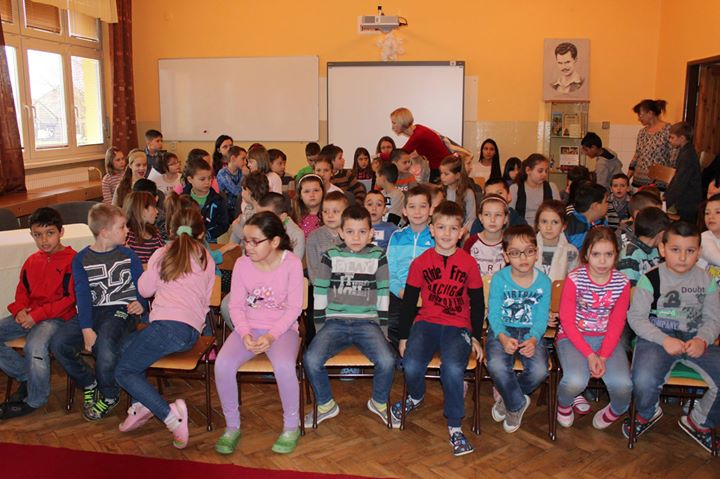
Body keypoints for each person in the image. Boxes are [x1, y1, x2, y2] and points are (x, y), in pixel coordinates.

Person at [115, 205, 215, 449]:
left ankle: (170, 416)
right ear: (201, 233)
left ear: (170, 230)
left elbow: (143, 290)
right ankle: (142, 403)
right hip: (190, 332)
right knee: (125, 347)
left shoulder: (162, 253)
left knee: (123, 371)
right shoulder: (206, 257)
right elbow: (206, 298)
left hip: (167, 328)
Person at [390, 201, 484, 456]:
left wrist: (476, 336)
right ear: (431, 230)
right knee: (410, 364)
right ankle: (416, 396)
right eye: (441, 227)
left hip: (458, 326)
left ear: (461, 232)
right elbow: (409, 302)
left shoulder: (469, 263)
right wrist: (404, 336)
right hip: (426, 323)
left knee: (452, 368)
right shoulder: (420, 262)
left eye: (453, 228)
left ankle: (455, 426)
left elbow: (477, 303)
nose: (446, 233)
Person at [625, 222, 720, 453]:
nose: (683, 257)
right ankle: (647, 413)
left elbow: (713, 319)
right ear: (663, 249)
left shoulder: (707, 281)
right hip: (657, 337)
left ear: (699, 252)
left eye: (690, 250)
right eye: (676, 249)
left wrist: (702, 339)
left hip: (696, 337)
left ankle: (699, 421)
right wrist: (663, 340)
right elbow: (636, 318)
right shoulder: (651, 278)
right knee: (643, 379)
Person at [214, 212, 304, 454]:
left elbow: (294, 308)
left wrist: (271, 336)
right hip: (249, 327)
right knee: (222, 365)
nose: (248, 247)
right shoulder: (242, 264)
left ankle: (291, 427)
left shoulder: (291, 263)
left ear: (274, 241)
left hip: (282, 330)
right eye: (246, 240)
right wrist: (244, 334)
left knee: (284, 366)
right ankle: (232, 427)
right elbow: (235, 306)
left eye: (255, 241)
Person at [50, 203, 148, 421]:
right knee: (59, 343)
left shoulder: (129, 256)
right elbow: (83, 296)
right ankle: (88, 381)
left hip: (122, 310)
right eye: (122, 227)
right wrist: (86, 328)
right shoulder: (81, 259)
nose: (127, 230)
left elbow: (143, 287)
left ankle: (110, 393)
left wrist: (141, 303)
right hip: (92, 311)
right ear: (104, 232)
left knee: (105, 343)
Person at [303, 205, 396, 428]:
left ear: (371, 233)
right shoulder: (331, 255)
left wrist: (383, 331)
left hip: (368, 324)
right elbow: (320, 292)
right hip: (334, 323)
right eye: (350, 232)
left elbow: (383, 294)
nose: (356, 237)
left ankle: (379, 402)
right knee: (311, 359)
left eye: (362, 232)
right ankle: (325, 404)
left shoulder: (378, 255)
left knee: (388, 360)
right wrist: (320, 328)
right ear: (341, 233)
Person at [0, 207, 76, 420]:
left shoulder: (73, 260)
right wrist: (19, 310)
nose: (44, 240)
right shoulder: (32, 261)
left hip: (57, 318)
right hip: (30, 314)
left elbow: (69, 300)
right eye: (38, 235)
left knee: (34, 346)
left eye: (50, 233)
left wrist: (36, 316)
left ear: (61, 232)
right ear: (32, 235)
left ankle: (36, 399)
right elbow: (22, 292)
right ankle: (27, 376)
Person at [556, 227, 632, 430]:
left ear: (616, 255)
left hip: (607, 340)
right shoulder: (575, 278)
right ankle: (564, 404)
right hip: (573, 337)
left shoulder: (622, 282)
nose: (602, 261)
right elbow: (567, 321)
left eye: (609, 254)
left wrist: (603, 356)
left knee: (623, 386)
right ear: (587, 254)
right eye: (596, 254)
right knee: (575, 380)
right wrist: (591, 355)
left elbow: (617, 323)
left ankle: (614, 411)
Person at [486, 225, 551, 433]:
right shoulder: (499, 279)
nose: (523, 257)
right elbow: (494, 314)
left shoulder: (544, 282)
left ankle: (508, 399)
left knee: (540, 370)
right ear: (506, 256)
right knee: (496, 365)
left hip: (531, 332)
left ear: (536, 253)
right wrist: (503, 337)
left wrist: (533, 339)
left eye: (529, 251)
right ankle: (516, 404)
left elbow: (541, 318)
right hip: (502, 329)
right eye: (515, 253)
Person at [386, 186, 435, 348]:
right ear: (404, 211)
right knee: (390, 324)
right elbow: (390, 271)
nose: (417, 211)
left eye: (423, 206)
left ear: (431, 210)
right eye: (412, 207)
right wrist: (400, 290)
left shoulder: (436, 237)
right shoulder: (397, 237)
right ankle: (402, 354)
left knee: (424, 327)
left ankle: (416, 352)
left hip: (426, 295)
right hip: (400, 292)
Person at [390, 107, 450, 182]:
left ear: (402, 122)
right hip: (441, 166)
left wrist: (380, 155)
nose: (392, 127)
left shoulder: (418, 136)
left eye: (394, 123)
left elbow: (397, 155)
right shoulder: (418, 128)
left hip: (442, 168)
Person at [181, 157, 229, 243]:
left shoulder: (218, 200)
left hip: (209, 241)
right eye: (202, 179)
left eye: (210, 178)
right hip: (186, 240)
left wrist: (207, 235)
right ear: (190, 179)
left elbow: (224, 225)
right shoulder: (181, 199)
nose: (207, 182)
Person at [305, 191, 349, 285]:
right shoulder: (313, 237)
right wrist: (322, 288)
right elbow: (313, 270)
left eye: (335, 211)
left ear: (346, 213)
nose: (330, 215)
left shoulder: (352, 235)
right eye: (326, 211)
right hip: (322, 288)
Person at [628, 99, 672, 188]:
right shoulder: (642, 132)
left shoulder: (668, 130)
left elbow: (673, 157)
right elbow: (637, 155)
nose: (639, 118)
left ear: (650, 113)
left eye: (640, 115)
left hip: (658, 183)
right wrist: (627, 177)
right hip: (638, 181)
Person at [665, 121, 702, 222]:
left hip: (688, 202)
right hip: (685, 199)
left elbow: (680, 182)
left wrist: (667, 202)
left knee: (685, 226)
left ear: (682, 138)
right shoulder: (685, 151)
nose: (670, 140)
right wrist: (666, 195)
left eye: (672, 137)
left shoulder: (687, 156)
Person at [463, 194, 508, 277]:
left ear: (505, 219)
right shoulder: (470, 243)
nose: (492, 219)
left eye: (498, 215)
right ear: (481, 218)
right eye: (487, 214)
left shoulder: (510, 244)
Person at [535, 200, 579, 282]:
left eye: (555, 222)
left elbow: (574, 280)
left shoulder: (571, 251)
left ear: (563, 226)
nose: (548, 227)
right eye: (544, 221)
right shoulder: (529, 249)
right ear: (538, 225)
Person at [510, 154, 560, 225]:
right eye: (540, 171)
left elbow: (558, 213)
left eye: (546, 171)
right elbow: (510, 214)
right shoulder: (515, 188)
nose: (544, 174)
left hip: (546, 228)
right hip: (522, 228)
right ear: (528, 170)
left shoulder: (552, 187)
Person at [257, 192, 305, 260]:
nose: (260, 221)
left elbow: (294, 263)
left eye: (267, 217)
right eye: (258, 216)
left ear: (282, 217)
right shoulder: (256, 229)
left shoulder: (296, 235)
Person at [122, 191, 164, 264]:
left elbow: (164, 257)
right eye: (154, 208)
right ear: (143, 211)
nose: (157, 212)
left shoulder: (155, 233)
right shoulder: (126, 236)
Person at [229, 171, 270, 245]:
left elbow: (252, 238)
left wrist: (235, 226)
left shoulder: (262, 214)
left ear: (248, 191)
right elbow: (235, 238)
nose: (241, 193)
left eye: (242, 190)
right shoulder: (248, 208)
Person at [565, 183, 609, 249]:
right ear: (595, 206)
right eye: (606, 201)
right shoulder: (570, 225)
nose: (608, 204)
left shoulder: (602, 221)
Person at [440, 155, 476, 228]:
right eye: (441, 173)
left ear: (457, 175)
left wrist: (464, 230)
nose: (442, 177)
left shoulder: (468, 193)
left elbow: (471, 219)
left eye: (446, 174)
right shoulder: (439, 192)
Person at [217, 145, 247, 220]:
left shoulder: (240, 171)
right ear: (233, 158)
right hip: (226, 209)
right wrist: (245, 176)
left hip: (238, 207)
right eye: (243, 159)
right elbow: (237, 191)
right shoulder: (223, 173)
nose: (245, 162)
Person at [293, 174, 324, 239]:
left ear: (323, 192)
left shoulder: (330, 216)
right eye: (306, 191)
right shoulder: (294, 219)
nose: (312, 194)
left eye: (316, 190)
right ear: (300, 196)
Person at [698, 194, 720, 286]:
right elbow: (717, 259)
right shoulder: (704, 238)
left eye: (718, 212)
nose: (710, 217)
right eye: (707, 213)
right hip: (703, 291)